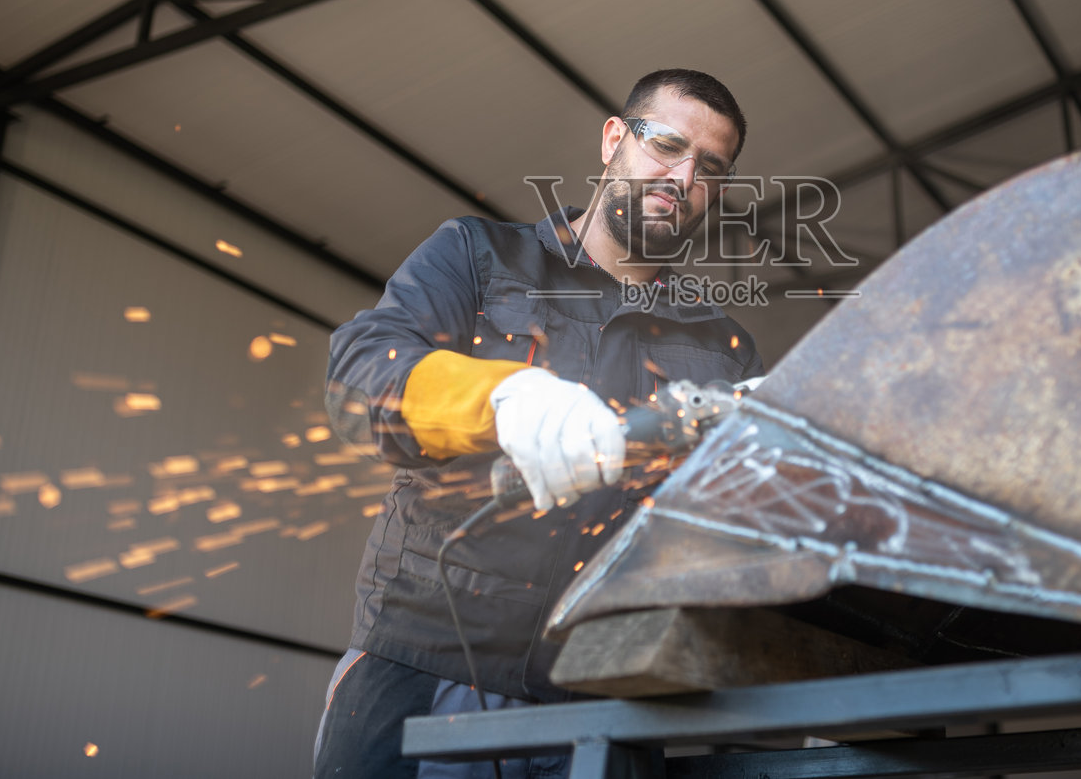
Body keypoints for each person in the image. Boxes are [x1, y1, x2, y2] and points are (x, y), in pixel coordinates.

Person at [314, 70, 763, 778]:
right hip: (424, 671)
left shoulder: (719, 346)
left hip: (607, 696)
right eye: (667, 146)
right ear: (615, 139)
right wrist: (500, 396)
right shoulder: (480, 257)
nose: (682, 177)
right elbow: (362, 374)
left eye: (710, 168)